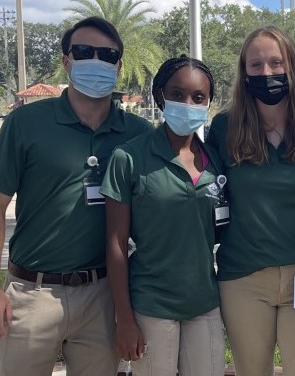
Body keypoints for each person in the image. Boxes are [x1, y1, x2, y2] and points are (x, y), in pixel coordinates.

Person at [0, 17, 153, 375]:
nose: (95, 61)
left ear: (119, 65)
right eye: (84, 52)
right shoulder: (25, 123)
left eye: (107, 55)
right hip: (32, 293)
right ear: (66, 60)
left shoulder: (138, 133)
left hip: (102, 295)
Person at [204, 26, 295, 376]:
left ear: (293, 68)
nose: (266, 72)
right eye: (256, 65)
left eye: (275, 62)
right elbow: (207, 195)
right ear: (244, 73)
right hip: (243, 278)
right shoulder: (225, 127)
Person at [101, 56, 226, 376]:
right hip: (152, 306)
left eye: (199, 98)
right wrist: (124, 320)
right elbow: (116, 244)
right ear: (159, 96)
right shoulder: (128, 158)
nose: (188, 103)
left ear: (208, 103)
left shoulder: (215, 161)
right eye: (177, 93)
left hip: (204, 304)